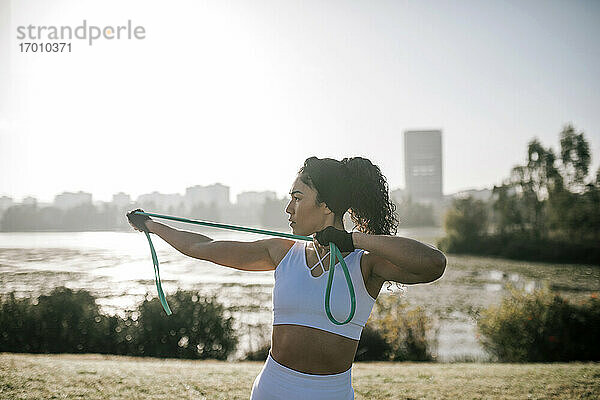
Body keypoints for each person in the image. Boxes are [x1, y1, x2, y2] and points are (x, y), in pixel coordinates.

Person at [127, 156, 447, 400]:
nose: (288, 208)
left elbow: (433, 264)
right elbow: (203, 247)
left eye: (297, 197)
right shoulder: (282, 252)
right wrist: (152, 225)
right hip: (272, 390)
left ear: (325, 205)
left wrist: (354, 240)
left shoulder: (366, 264)